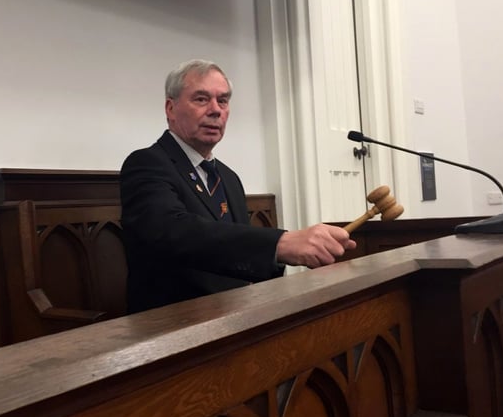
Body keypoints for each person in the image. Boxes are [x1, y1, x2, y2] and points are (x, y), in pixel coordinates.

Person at [120, 59, 356, 313]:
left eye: (223, 101)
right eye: (201, 99)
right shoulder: (146, 163)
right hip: (174, 322)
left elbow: (236, 257)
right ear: (170, 108)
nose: (215, 110)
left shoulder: (229, 177)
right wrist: (280, 244)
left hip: (233, 315)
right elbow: (174, 232)